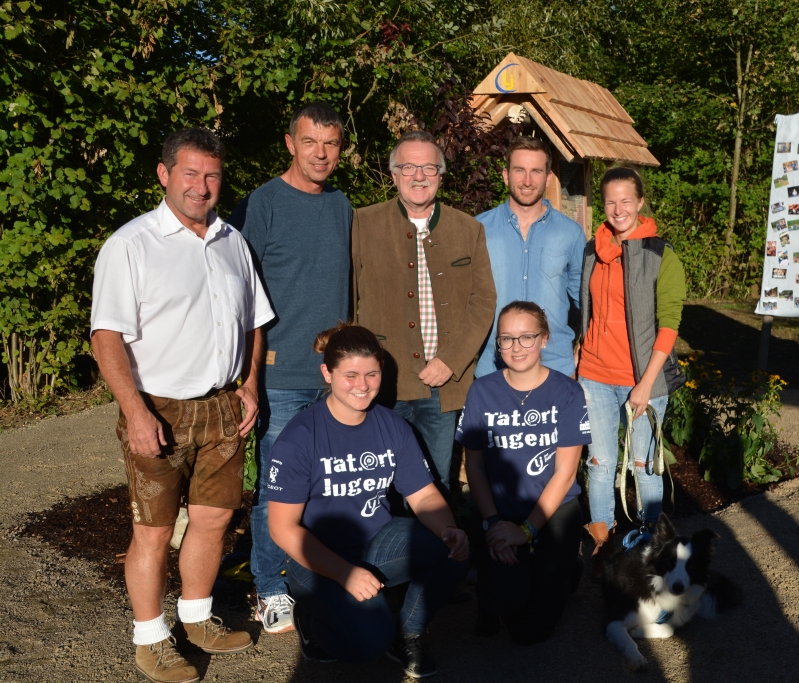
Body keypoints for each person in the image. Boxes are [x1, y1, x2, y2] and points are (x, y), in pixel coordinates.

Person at [91, 128, 275, 683]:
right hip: (160, 409)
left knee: (214, 520)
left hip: (222, 407)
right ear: (164, 174)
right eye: (190, 173)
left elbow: (254, 322)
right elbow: (106, 336)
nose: (201, 186)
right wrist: (135, 412)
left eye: (212, 175)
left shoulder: (231, 241)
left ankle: (196, 619)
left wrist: (250, 386)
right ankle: (150, 638)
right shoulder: (131, 244)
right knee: (153, 530)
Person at [266, 324, 469, 678]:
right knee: (366, 644)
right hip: (317, 556)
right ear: (327, 373)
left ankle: (408, 635)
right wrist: (344, 573)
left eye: (371, 374)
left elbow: (423, 494)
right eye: (350, 375)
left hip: (376, 543)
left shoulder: (392, 426)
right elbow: (282, 529)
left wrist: (449, 529)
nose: (362, 385)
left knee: (451, 548)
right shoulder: (299, 437)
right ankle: (310, 621)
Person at [227, 102, 353, 635]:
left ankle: (310, 575)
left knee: (327, 486)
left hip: (335, 378)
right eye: (309, 142)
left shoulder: (342, 206)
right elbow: (237, 289)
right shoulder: (264, 204)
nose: (320, 154)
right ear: (289, 144)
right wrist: (247, 375)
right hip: (279, 375)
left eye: (330, 143)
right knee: (279, 488)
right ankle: (269, 586)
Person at [352, 130, 496, 495]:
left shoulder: (469, 229)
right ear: (394, 174)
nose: (419, 176)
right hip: (381, 383)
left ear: (441, 175)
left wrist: (451, 360)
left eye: (429, 168)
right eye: (408, 167)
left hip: (441, 385)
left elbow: (483, 301)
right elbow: (347, 298)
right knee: (379, 484)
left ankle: (436, 536)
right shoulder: (362, 224)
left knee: (434, 484)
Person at [458, 302, 589, 644]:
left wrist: (526, 531)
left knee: (529, 633)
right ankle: (502, 583)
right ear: (498, 344)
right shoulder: (482, 391)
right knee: (502, 600)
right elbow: (474, 466)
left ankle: (565, 569)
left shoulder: (568, 392)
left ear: (544, 339)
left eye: (526, 337)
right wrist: (493, 524)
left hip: (553, 512)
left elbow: (565, 474)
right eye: (507, 338)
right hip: (500, 512)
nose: (516, 347)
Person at [577, 167, 686, 555]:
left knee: (644, 465)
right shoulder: (592, 250)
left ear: (640, 202)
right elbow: (587, 311)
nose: (618, 209)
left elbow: (669, 325)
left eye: (626, 200)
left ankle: (650, 548)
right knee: (600, 463)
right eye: (610, 201)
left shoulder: (661, 254)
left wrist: (645, 384)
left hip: (642, 379)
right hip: (594, 375)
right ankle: (602, 547)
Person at [474, 137, 585, 378]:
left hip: (554, 367)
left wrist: (585, 350)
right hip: (493, 369)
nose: (527, 181)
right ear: (506, 176)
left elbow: (586, 301)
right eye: (519, 170)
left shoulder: (570, 233)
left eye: (536, 171)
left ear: (548, 178)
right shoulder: (479, 230)